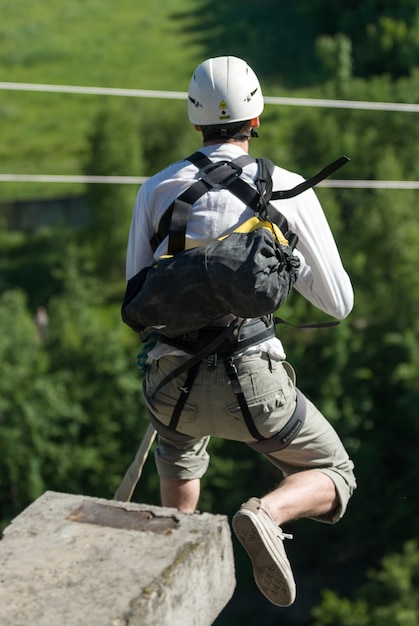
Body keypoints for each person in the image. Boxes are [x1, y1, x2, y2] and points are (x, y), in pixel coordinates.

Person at [125, 55, 356, 607]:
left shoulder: (156, 189)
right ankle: (266, 514)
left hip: (169, 384)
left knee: (179, 453)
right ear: (257, 119)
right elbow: (338, 304)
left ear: (194, 119)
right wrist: (279, 262)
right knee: (335, 471)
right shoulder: (289, 189)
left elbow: (137, 297)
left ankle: (168, 576)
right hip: (253, 386)